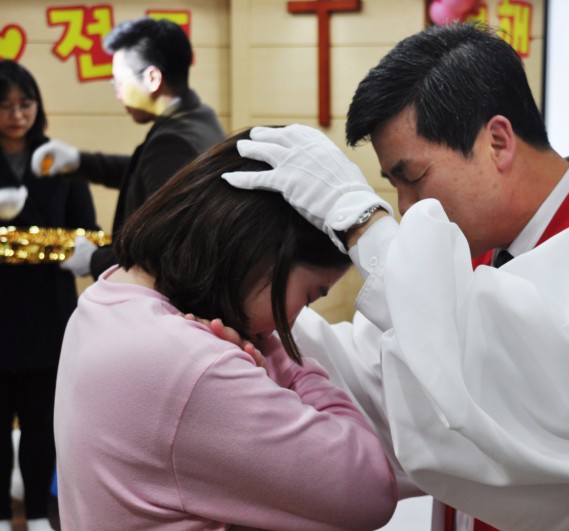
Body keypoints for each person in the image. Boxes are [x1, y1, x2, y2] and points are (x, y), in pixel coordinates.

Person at [222, 23, 569, 531]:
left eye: (412, 179)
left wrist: (365, 225)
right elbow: (390, 381)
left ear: (497, 141)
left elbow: (544, 417)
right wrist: (259, 332)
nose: (406, 210)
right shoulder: (478, 258)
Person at [52, 130, 398, 529]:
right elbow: (370, 491)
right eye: (308, 297)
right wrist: (281, 356)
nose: (293, 321)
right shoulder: (191, 365)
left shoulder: (107, 295)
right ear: (262, 250)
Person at [31, 17, 225, 279]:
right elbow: (144, 171)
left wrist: (95, 260)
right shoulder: (199, 117)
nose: (118, 93)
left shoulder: (172, 143)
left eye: (119, 81)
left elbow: (160, 248)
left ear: (153, 78)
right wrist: (79, 162)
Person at [0, 60, 100, 531]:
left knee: (42, 423)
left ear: (37, 107)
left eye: (25, 104)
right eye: (4, 107)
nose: (16, 115)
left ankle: (39, 514)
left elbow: (90, 233)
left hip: (47, 312)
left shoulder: (57, 158)